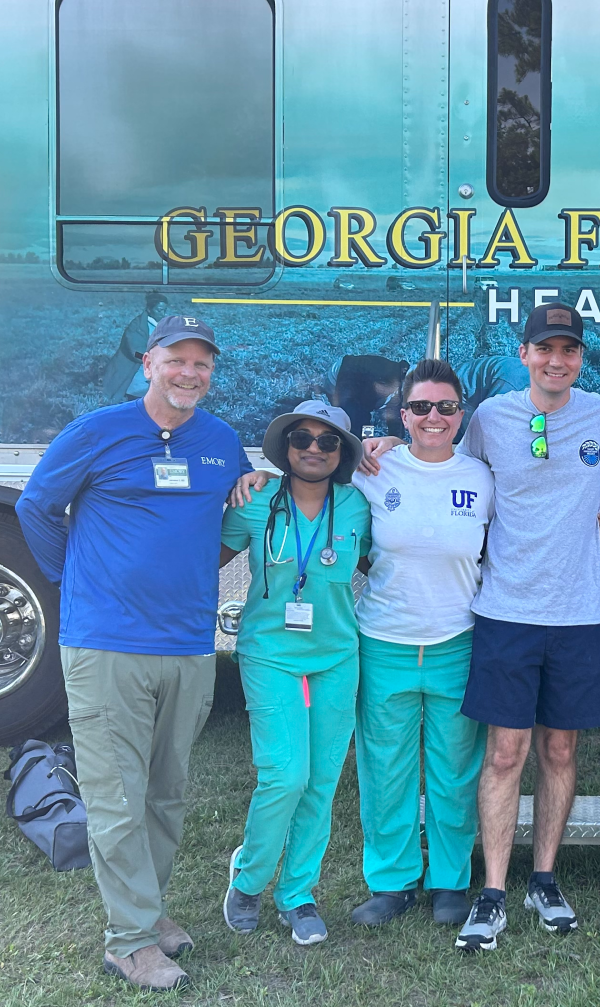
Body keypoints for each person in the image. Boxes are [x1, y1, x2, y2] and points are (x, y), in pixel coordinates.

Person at [362, 302, 600, 952]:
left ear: (580, 359)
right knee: (504, 752)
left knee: (561, 751)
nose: (556, 360)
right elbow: (448, 462)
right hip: (506, 611)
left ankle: (544, 878)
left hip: (579, 611)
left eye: (568, 349)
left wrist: (598, 504)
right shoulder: (489, 418)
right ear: (525, 355)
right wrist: (390, 445)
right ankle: (492, 890)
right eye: (545, 348)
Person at [15, 314, 256, 992]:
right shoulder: (97, 431)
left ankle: (147, 916)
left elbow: (233, 511)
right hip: (106, 644)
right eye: (177, 360)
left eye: (202, 364)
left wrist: (243, 494)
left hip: (187, 644)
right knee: (117, 797)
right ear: (149, 363)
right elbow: (37, 506)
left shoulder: (219, 442)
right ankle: (127, 942)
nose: (190, 373)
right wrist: (76, 580)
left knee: (165, 792)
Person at [343, 359, 494, 930]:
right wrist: (256, 477)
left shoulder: (481, 477)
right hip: (383, 642)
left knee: (455, 768)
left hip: (458, 641)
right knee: (386, 770)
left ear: (462, 414)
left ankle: (451, 880)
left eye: (446, 407)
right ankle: (391, 880)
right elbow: (313, 491)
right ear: (402, 413)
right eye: (421, 407)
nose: (434, 418)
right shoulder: (373, 469)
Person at [219, 401, 373, 948]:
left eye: (328, 442)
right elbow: (202, 556)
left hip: (337, 656)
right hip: (269, 653)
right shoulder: (255, 498)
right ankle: (250, 879)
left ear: (342, 454)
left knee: (322, 782)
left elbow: (384, 561)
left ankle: (298, 892)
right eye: (302, 438)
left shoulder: (357, 507)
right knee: (286, 774)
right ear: (285, 446)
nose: (313, 448)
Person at [101, 292, 168, 402]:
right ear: (149, 309)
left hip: (151, 375)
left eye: (164, 310)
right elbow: (135, 352)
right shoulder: (137, 327)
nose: (163, 314)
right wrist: (153, 359)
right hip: (135, 377)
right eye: (159, 310)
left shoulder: (160, 325)